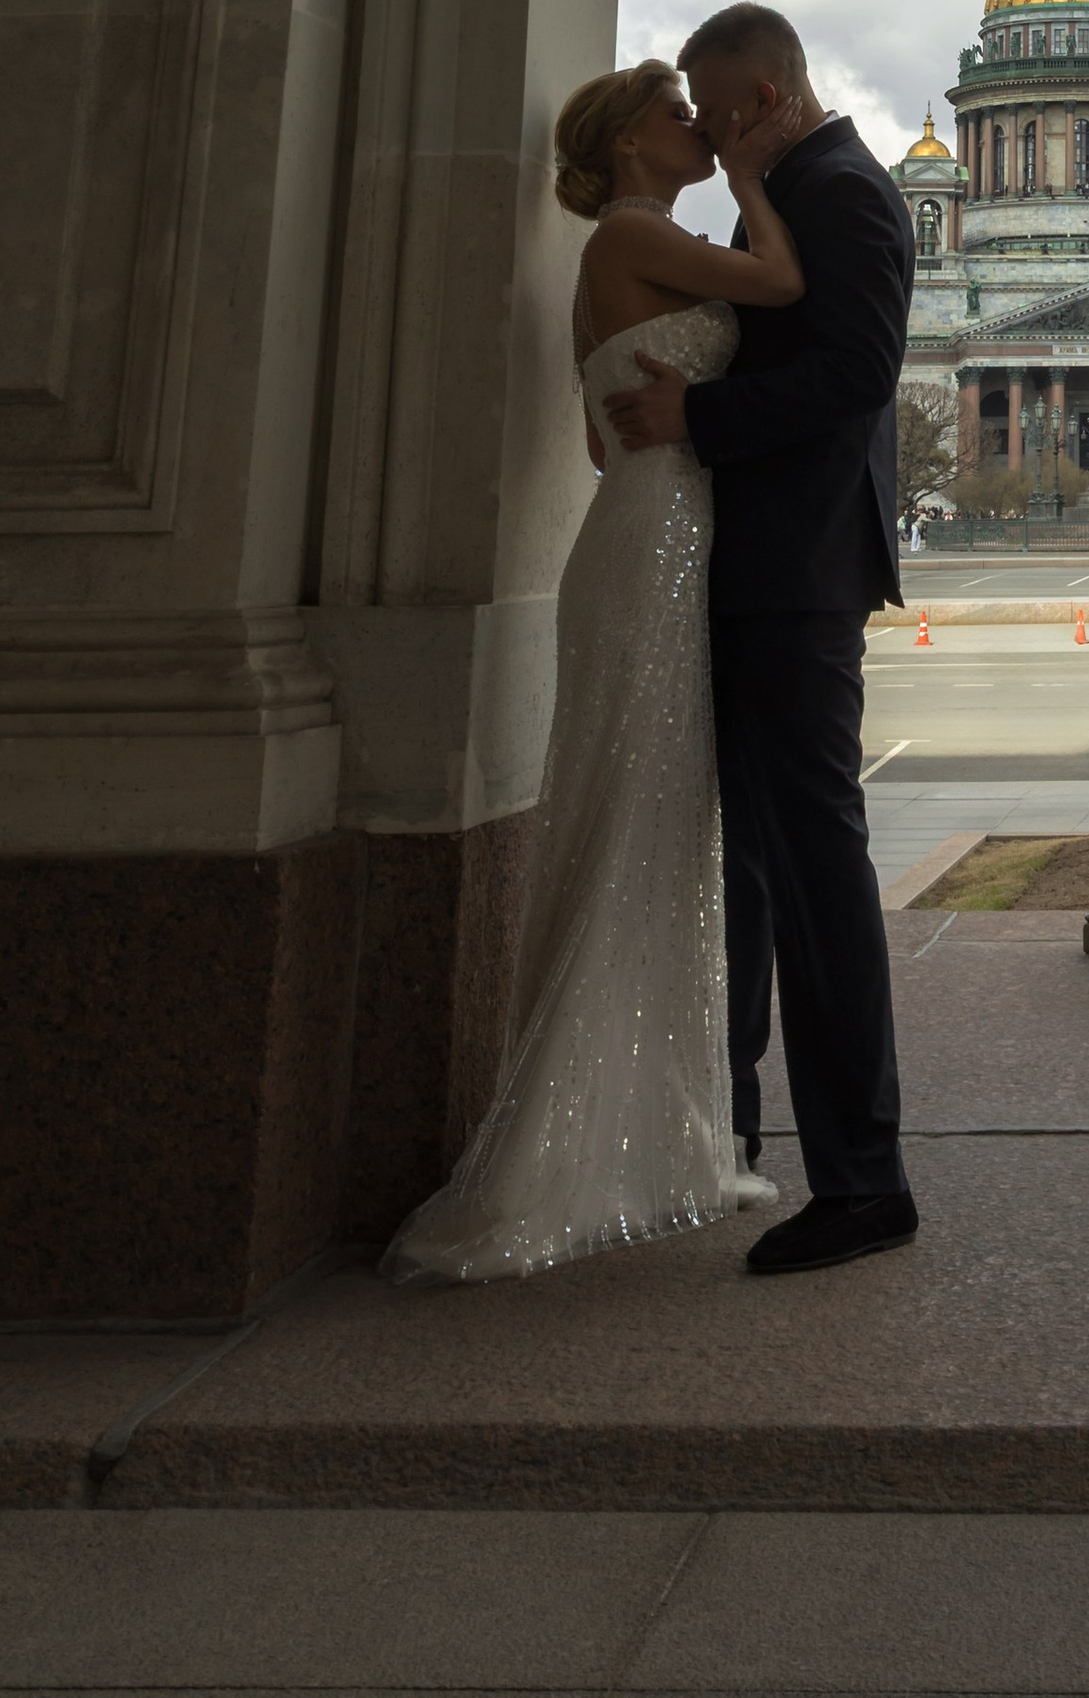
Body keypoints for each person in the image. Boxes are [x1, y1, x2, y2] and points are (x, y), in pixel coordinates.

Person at [381, 62, 808, 1282]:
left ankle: (635, 1140)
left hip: (637, 539)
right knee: (643, 825)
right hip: (662, 553)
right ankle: (586, 1148)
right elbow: (779, 281)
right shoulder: (636, 232)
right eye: (678, 115)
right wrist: (751, 170)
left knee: (646, 820)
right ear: (629, 143)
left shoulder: (631, 247)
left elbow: (592, 425)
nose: (696, 125)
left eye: (697, 115)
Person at [605, 2, 918, 1277]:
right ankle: (730, 1129)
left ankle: (862, 1178)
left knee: (812, 873)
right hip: (749, 572)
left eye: (718, 101)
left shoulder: (842, 190)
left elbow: (858, 373)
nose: (705, 121)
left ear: (772, 88)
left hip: (795, 580)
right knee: (752, 870)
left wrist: (701, 416)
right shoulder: (783, 188)